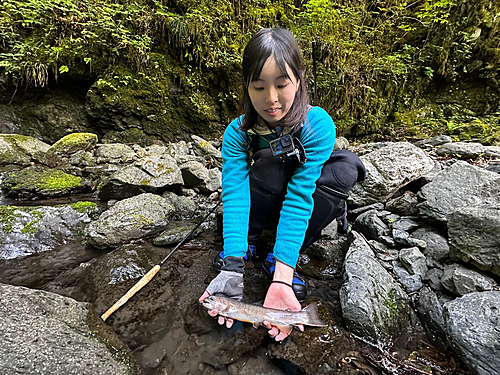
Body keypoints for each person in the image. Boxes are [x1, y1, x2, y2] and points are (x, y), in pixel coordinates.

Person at [198, 28, 365, 341]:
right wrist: (232, 263)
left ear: (298, 80)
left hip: (296, 204)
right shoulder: (238, 132)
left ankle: (280, 256)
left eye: (281, 84)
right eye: (258, 87)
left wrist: (283, 277)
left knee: (346, 168)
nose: (271, 99)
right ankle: (247, 241)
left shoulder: (318, 124)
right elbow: (234, 192)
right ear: (247, 87)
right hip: (260, 199)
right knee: (270, 161)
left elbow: (301, 195)